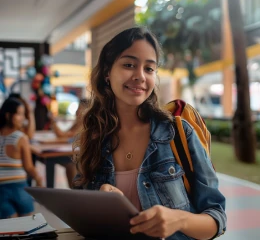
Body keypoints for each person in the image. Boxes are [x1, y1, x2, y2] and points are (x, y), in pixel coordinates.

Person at [73, 27, 226, 239]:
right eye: (129, 65)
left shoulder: (179, 133)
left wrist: (179, 219)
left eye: (149, 69)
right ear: (107, 72)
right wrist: (98, 202)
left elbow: (217, 218)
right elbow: (81, 216)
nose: (140, 76)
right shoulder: (92, 138)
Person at [0, 97, 42, 219]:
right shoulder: (20, 138)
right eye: (20, 114)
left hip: (1, 191)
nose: (23, 118)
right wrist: (39, 179)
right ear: (8, 116)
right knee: (27, 224)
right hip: (19, 189)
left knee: (11, 228)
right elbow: (29, 167)